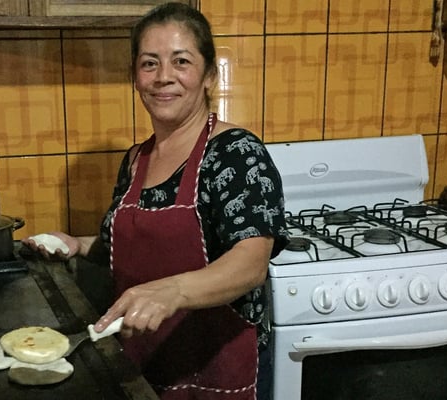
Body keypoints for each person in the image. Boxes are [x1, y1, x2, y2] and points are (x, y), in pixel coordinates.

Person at [23, 2, 288, 399]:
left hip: (217, 371)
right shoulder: (135, 159)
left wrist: (172, 293)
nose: (164, 77)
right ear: (135, 77)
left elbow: (250, 263)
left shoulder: (236, 153)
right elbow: (130, 247)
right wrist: (79, 245)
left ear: (209, 75)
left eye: (181, 61)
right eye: (149, 63)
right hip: (144, 366)